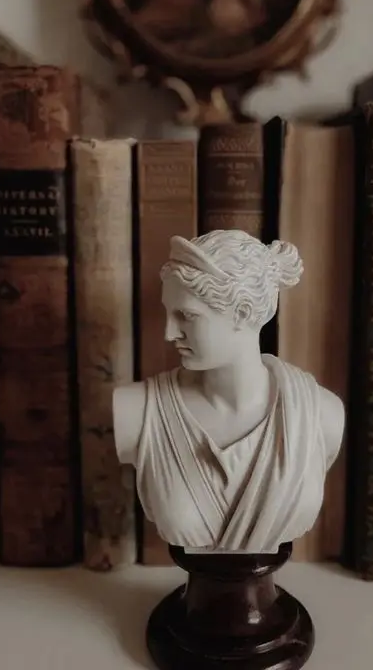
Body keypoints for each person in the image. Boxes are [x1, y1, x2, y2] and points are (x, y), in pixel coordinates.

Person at [113, 229, 345, 554]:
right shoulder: (135, 409)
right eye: (168, 314)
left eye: (186, 316)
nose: (168, 333)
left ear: (243, 312)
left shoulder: (321, 415)